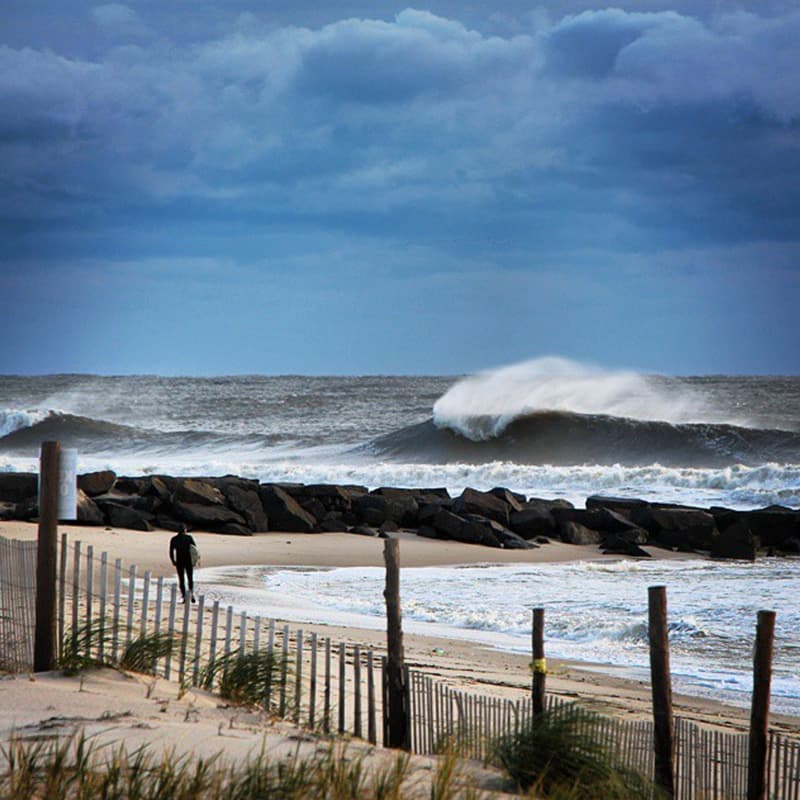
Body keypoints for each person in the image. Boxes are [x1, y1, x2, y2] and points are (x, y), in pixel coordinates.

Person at [169, 524, 196, 603]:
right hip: (188, 561)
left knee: (181, 579)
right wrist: (195, 561)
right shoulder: (189, 538)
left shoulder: (174, 539)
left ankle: (184, 596)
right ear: (185, 530)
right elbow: (194, 550)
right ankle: (191, 594)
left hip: (179, 561)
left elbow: (171, 551)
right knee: (190, 578)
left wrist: (173, 561)